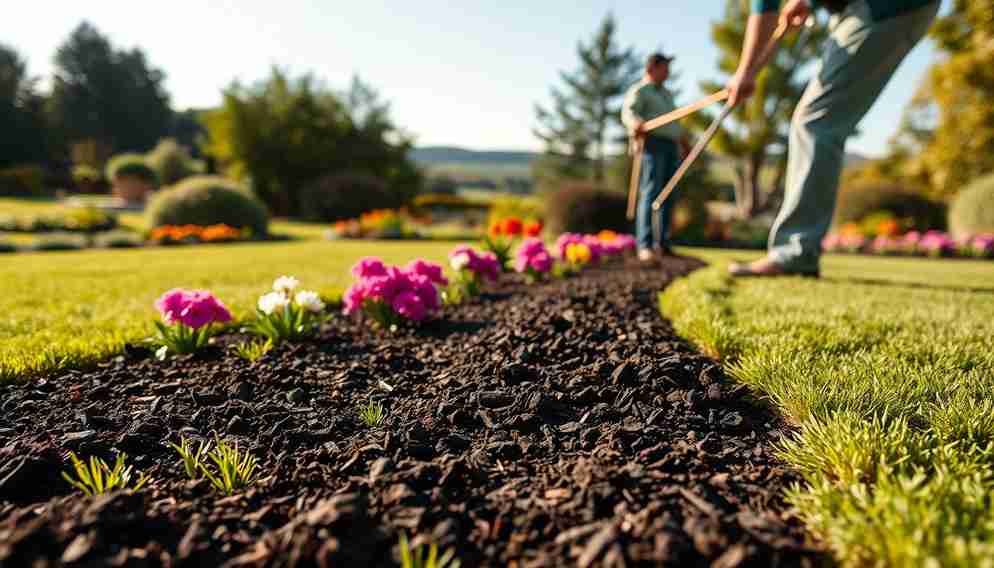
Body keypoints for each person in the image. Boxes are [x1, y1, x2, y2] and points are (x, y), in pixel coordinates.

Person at [727, 0, 940, 278]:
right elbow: (767, 8)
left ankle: (795, 251)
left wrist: (746, 72)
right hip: (870, 9)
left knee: (815, 120)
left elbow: (765, 8)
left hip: (885, 6)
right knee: (815, 119)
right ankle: (796, 250)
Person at [622, 53, 691, 263]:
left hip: (670, 147)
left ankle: (663, 243)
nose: (668, 72)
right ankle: (645, 244)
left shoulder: (667, 95)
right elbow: (629, 112)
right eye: (665, 68)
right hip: (652, 145)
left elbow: (674, 123)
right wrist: (635, 123)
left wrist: (683, 141)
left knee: (669, 194)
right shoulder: (640, 90)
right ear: (652, 67)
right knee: (651, 192)